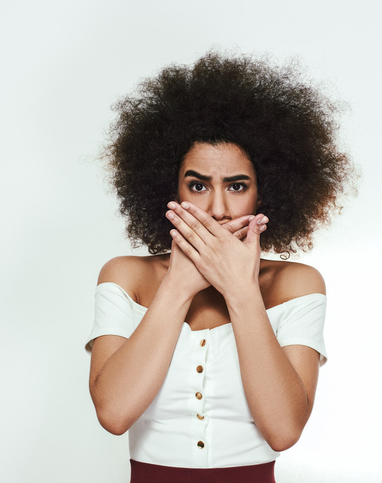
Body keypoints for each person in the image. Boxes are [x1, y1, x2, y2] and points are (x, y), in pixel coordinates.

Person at [86, 51, 354, 482]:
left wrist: (242, 291)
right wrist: (177, 287)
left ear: (263, 193)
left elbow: (284, 430)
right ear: (167, 189)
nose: (217, 209)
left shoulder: (295, 284)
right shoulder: (126, 277)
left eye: (237, 186)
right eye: (197, 185)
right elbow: (114, 414)